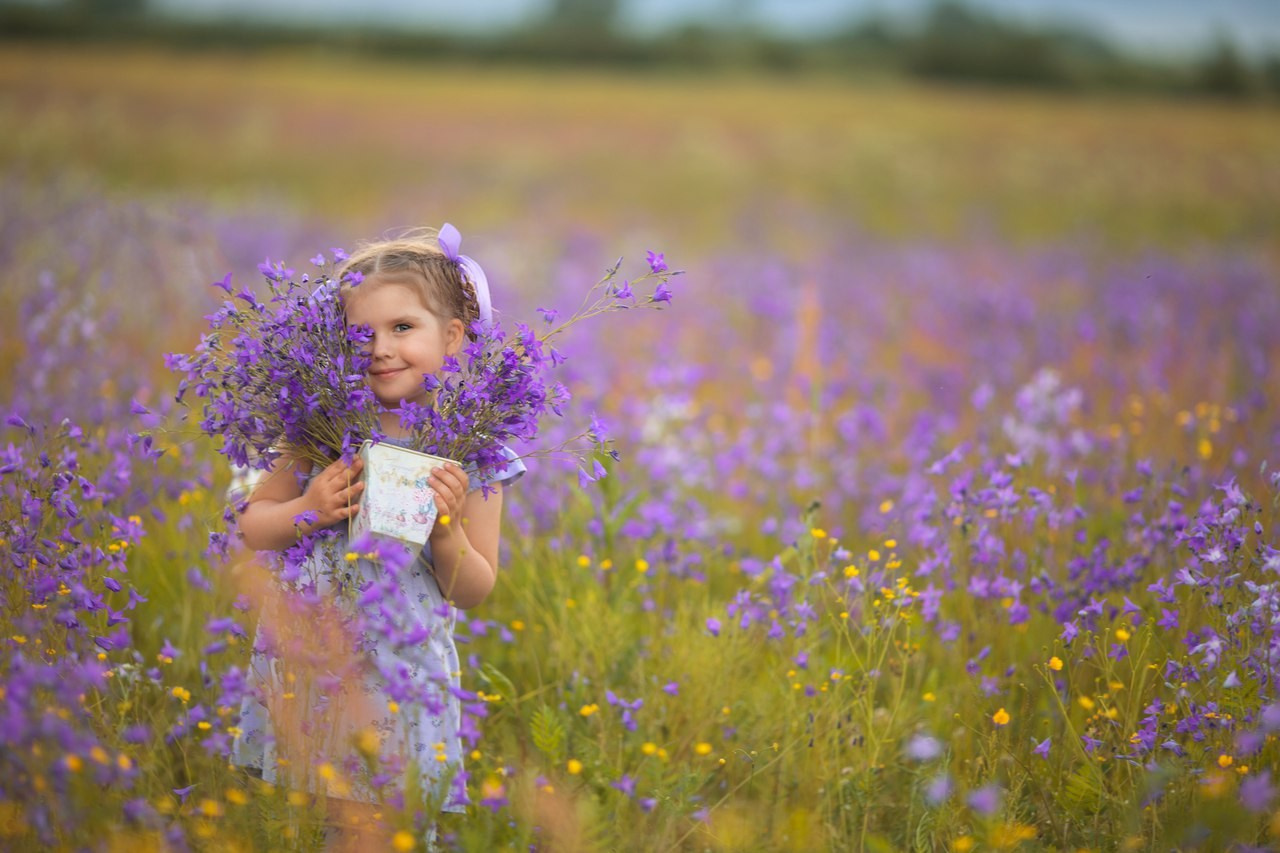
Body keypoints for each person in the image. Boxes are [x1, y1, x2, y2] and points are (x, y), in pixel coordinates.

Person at [230, 226, 524, 850]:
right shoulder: (319, 425)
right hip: (312, 660)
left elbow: (473, 589)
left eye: (402, 328)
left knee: (370, 833)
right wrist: (308, 508)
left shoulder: (474, 449)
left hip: (400, 674)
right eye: (360, 333)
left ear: (452, 337)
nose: (380, 349)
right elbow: (254, 525)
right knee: (323, 826)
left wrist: (445, 531)